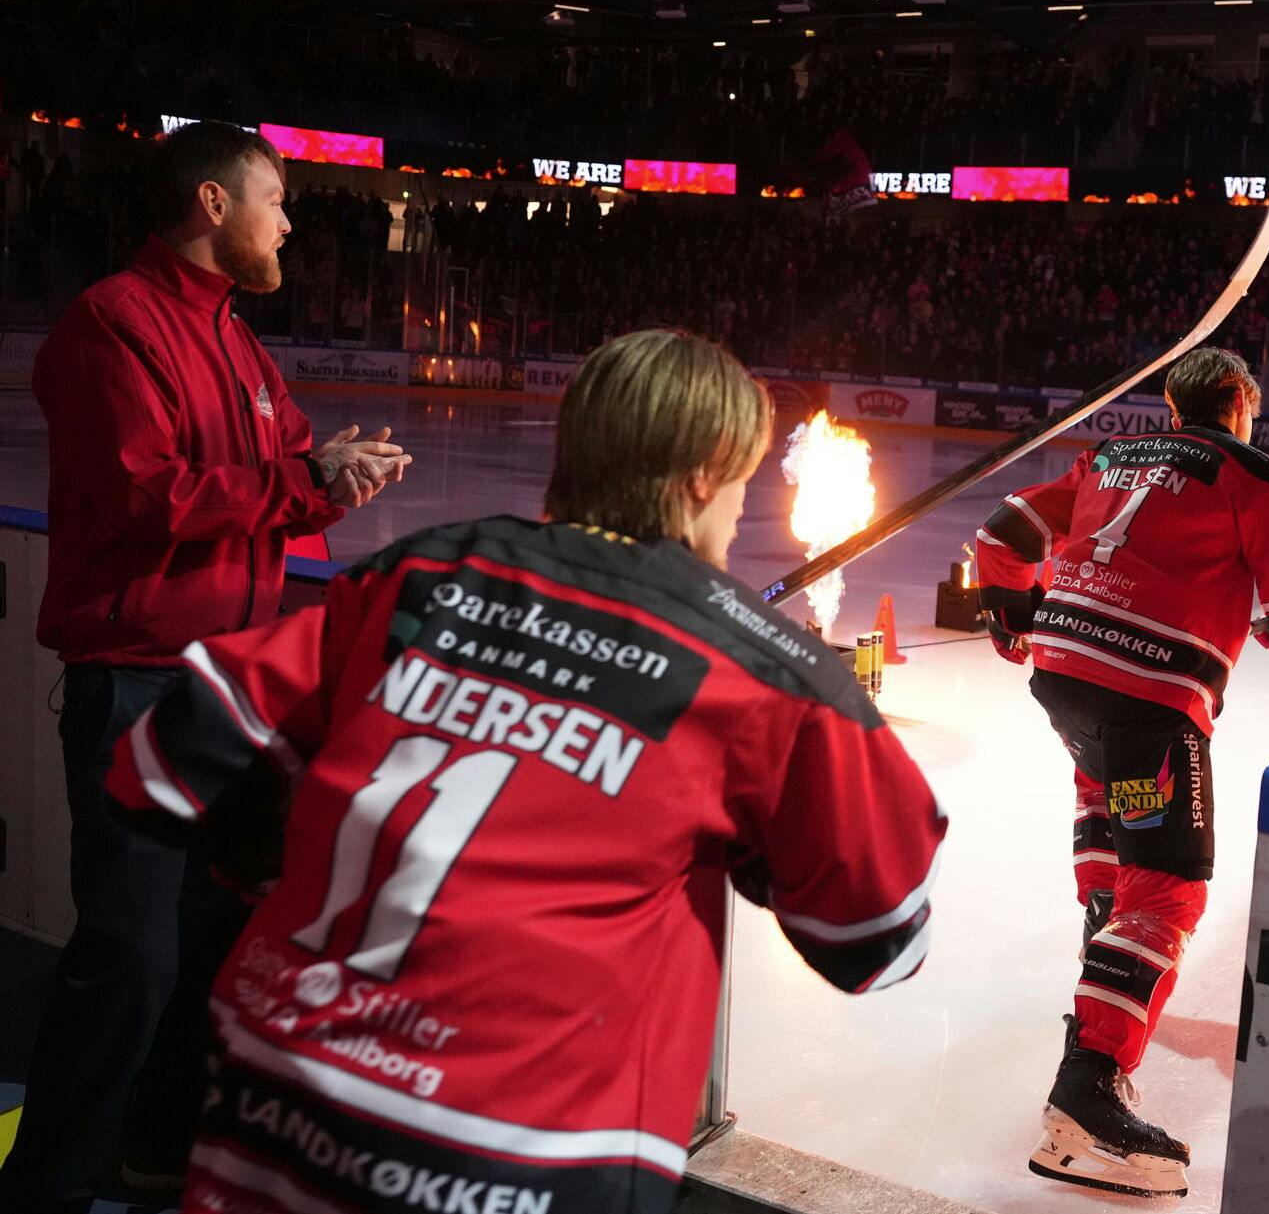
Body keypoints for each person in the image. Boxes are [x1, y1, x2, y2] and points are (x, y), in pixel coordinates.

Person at [102, 330, 948, 1214]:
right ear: (704, 476)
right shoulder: (764, 673)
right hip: (517, 1156)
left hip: (274, 1101)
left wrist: (264, 862)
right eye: (741, 481)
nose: (741, 512)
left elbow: (165, 756)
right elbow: (881, 936)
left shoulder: (422, 571)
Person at [1, 120, 411, 1214]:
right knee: (128, 961)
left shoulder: (237, 338)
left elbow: (280, 466)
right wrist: (296, 483)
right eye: (275, 198)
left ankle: (152, 1155)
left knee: (210, 950)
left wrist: (335, 479)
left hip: (230, 694)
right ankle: (47, 1189)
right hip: (137, 682)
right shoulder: (108, 327)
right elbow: (148, 494)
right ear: (214, 204)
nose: (289, 220)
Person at [975, 347, 1269, 1199]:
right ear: (1242, 403)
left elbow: (1002, 535)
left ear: (1171, 405)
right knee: (1170, 885)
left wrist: (1012, 610)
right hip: (1148, 700)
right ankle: (1089, 1089)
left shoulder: (1108, 456)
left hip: (1066, 678)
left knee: (1109, 796)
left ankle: (1104, 927)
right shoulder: (1252, 472)